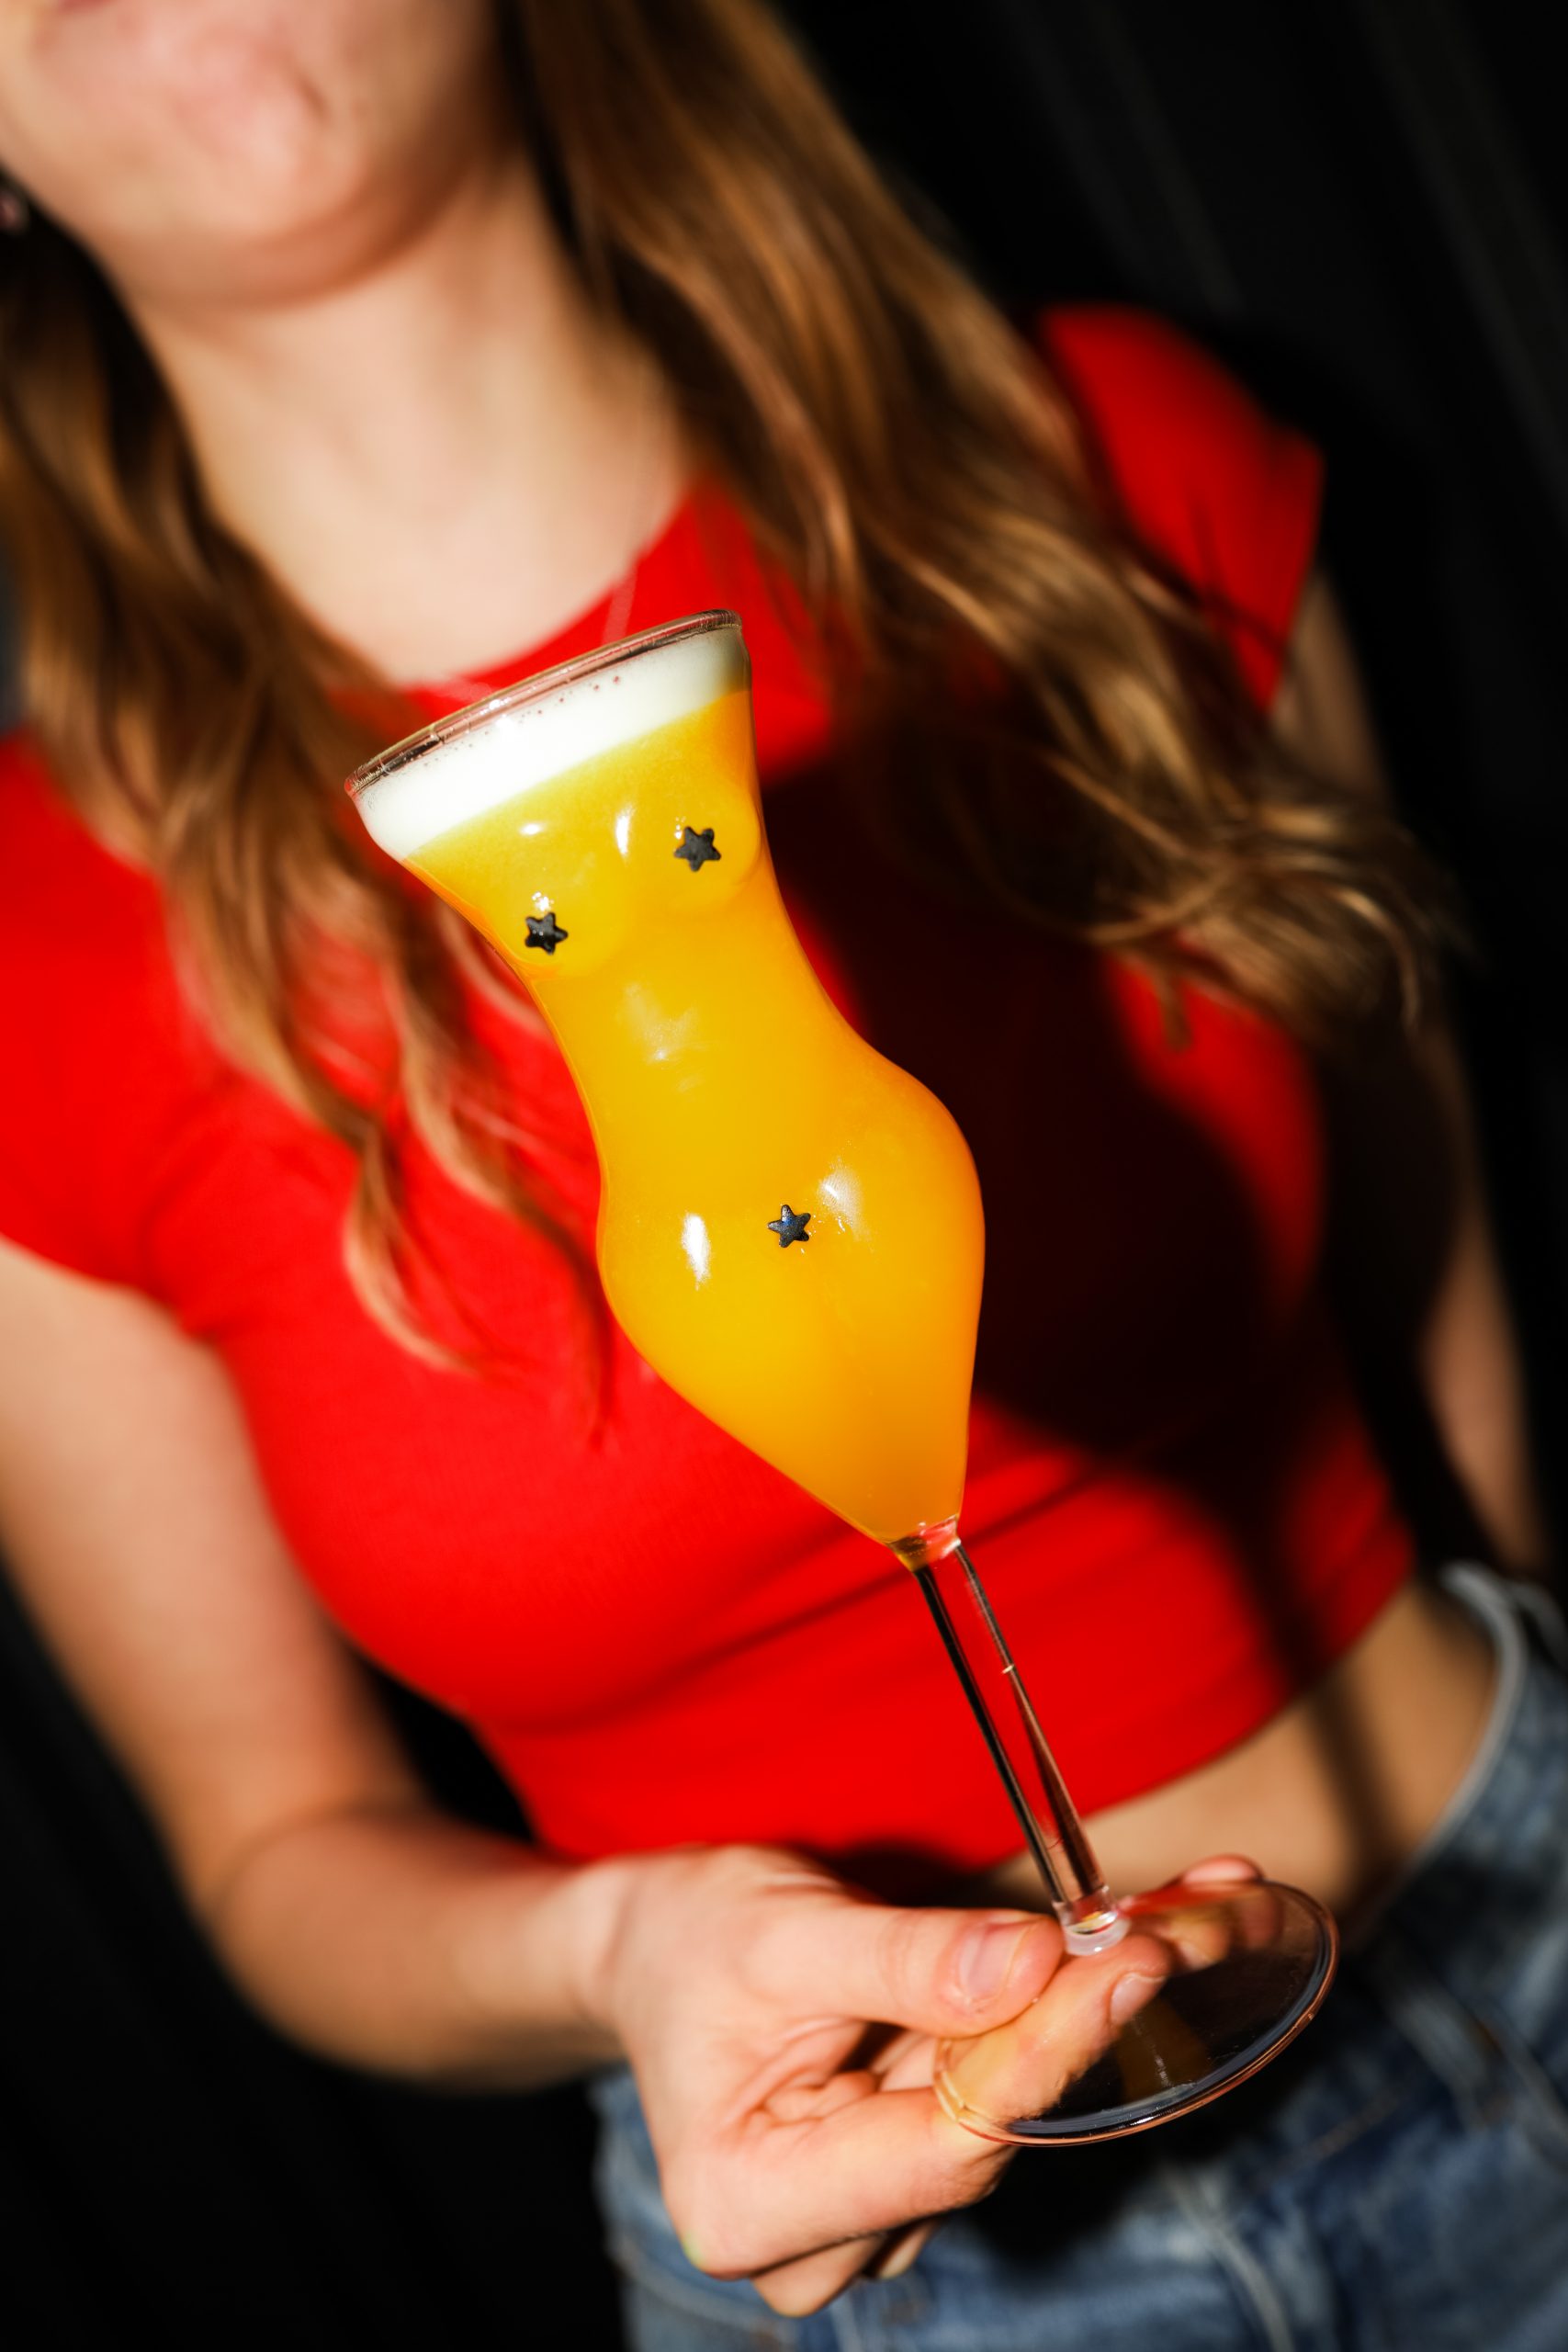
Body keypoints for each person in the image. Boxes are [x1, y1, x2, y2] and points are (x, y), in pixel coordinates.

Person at [1, 1, 1564, 2344]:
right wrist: (613, 1945)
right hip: (884, 2280)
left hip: (1513, 1958)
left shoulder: (1103, 471)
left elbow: (1443, 1317)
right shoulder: (25, 951)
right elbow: (270, 1847)